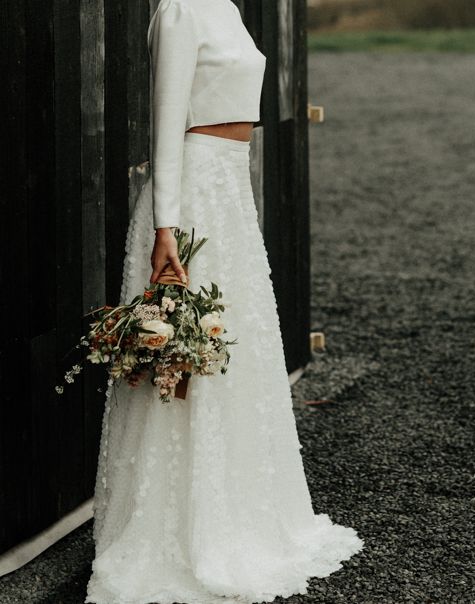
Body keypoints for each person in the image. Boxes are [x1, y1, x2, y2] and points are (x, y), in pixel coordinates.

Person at [84, 0, 364, 602]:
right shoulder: (180, 9)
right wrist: (167, 226)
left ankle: (241, 518)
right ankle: (178, 534)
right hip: (191, 200)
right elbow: (166, 120)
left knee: (237, 358)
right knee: (185, 355)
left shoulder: (228, 7)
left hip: (229, 190)